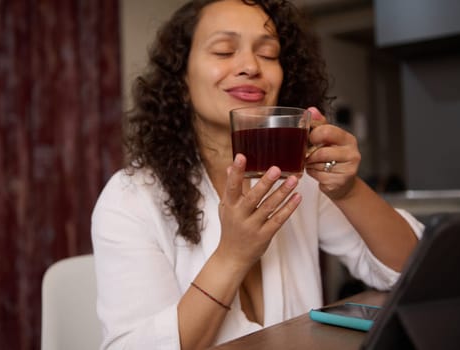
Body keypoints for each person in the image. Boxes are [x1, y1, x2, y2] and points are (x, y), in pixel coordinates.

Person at [91, 0, 424, 349]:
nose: (251, 66)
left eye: (268, 54)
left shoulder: (299, 179)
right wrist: (232, 256)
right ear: (182, 79)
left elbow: (409, 273)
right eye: (223, 51)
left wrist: (349, 191)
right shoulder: (131, 198)